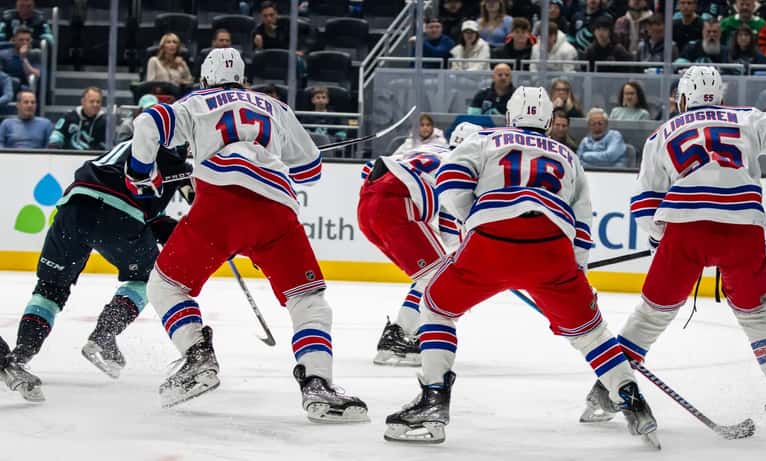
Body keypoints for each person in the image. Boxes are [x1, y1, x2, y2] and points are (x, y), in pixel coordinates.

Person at [383, 86, 658, 445]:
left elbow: (449, 183)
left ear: (510, 116)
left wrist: (475, 224)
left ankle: (433, 399)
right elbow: (582, 224)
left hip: (491, 242)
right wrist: (575, 277)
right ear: (547, 122)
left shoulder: (485, 138)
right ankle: (633, 402)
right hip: (552, 251)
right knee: (591, 332)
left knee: (435, 308)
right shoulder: (567, 155)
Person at [128, 48, 369, 421]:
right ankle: (318, 385)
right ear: (242, 78)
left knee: (165, 286)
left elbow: (148, 123)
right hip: (276, 207)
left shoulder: (196, 102)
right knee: (308, 301)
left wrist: (141, 172)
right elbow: (310, 172)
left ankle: (197, 357)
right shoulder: (276, 107)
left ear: (206, 78)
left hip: (220, 205)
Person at [583, 65, 766, 431]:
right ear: (721, 97)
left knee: (652, 314)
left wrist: (659, 239)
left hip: (686, 230)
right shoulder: (748, 118)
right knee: (755, 313)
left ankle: (606, 392)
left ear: (680, 100)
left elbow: (645, 204)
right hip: (743, 229)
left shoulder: (662, 133)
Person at [0, 140, 193, 402]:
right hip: (120, 213)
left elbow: (144, 208)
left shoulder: (134, 142)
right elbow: (157, 214)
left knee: (50, 288)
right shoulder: (177, 161)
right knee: (147, 279)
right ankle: (104, 334)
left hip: (74, 206)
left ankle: (19, 357)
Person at [358, 122, 482, 366]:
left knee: (429, 274)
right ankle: (402, 335)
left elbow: (369, 170)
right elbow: (451, 223)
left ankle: (397, 338)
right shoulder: (461, 166)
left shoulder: (428, 149)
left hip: (367, 204)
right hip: (395, 206)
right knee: (440, 276)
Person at [48, 86, 107, 150]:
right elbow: (56, 137)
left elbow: (105, 146)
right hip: (67, 157)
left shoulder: (104, 122)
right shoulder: (68, 117)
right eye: (92, 101)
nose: (95, 105)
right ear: (83, 102)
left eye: (98, 102)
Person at [0, 26, 40, 91]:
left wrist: (23, 58)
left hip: (23, 89)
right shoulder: (3, 54)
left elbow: (36, 75)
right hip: (5, 86)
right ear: (14, 40)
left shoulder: (35, 54)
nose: (25, 42)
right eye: (21, 40)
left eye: (28, 40)